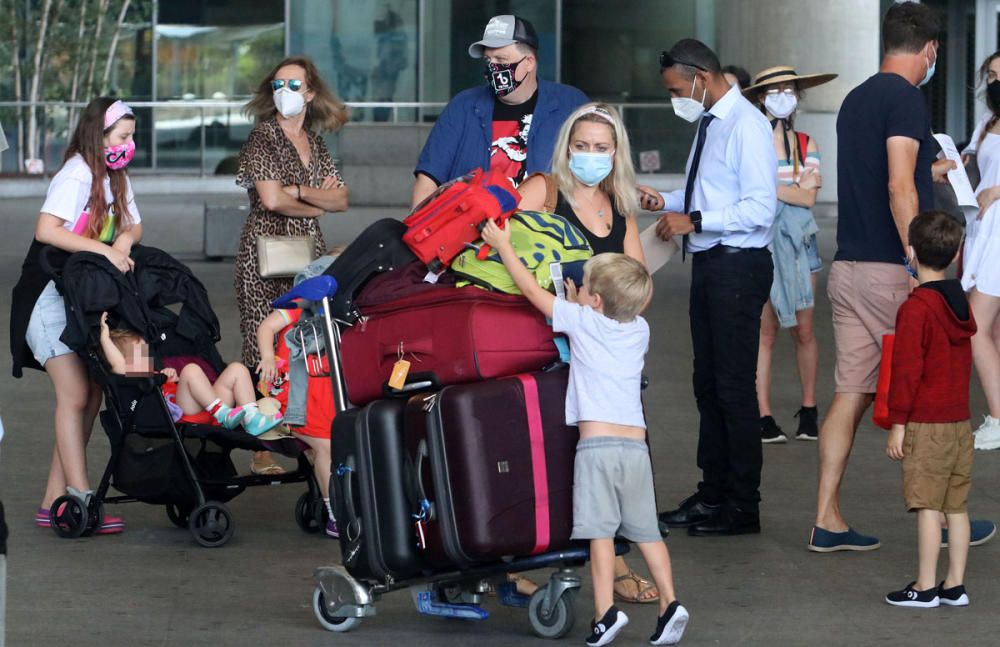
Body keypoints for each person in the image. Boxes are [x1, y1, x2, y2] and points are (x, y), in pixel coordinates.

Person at [481, 221, 688, 647]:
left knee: (600, 535)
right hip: (635, 449)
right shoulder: (639, 331)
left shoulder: (581, 323)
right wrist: (587, 301)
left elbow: (532, 293)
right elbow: (620, 304)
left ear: (593, 299)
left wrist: (503, 245)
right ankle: (670, 603)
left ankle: (604, 614)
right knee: (646, 532)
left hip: (596, 449)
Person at [809, 1, 958, 552]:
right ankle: (941, 522)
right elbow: (900, 186)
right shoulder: (906, 99)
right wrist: (920, 265)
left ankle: (827, 518)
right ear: (929, 50)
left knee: (852, 391)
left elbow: (888, 172)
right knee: (925, 390)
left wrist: (929, 170)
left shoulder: (857, 98)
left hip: (847, 265)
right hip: (887, 271)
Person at [520, 102, 660, 605]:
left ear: (616, 152)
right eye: (582, 146)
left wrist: (596, 308)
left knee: (605, 458)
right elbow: (501, 254)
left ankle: (615, 558)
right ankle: (518, 557)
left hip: (595, 356)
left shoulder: (619, 207)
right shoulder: (543, 190)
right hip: (536, 343)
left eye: (601, 148)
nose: (591, 155)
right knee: (541, 453)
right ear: (567, 148)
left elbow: (640, 289)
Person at [650, 39, 777, 537]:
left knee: (732, 388)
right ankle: (712, 492)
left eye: (677, 89)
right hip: (711, 264)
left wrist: (695, 220)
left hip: (738, 268)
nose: (675, 98)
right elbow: (702, 195)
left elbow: (759, 208)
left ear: (701, 77)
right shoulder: (710, 123)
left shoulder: (746, 125)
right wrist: (662, 200)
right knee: (708, 385)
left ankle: (742, 505)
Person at [10, 97, 142, 535]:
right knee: (74, 396)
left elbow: (134, 224)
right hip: (46, 298)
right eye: (123, 136)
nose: (129, 143)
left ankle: (55, 501)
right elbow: (46, 230)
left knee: (93, 395)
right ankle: (82, 499)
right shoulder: (76, 174)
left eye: (131, 136)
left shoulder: (115, 177)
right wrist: (104, 248)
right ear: (98, 135)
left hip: (77, 298)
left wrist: (122, 243)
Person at [236, 56, 348, 476]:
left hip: (308, 255)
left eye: (295, 84)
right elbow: (270, 200)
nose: (286, 91)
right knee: (260, 342)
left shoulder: (316, 143)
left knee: (303, 339)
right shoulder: (262, 138)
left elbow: (341, 199)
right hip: (263, 256)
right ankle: (261, 442)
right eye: (279, 83)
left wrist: (300, 190)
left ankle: (300, 424)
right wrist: (314, 203)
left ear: (311, 93)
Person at [884, 211, 975, 608]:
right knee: (956, 506)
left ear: (911, 252)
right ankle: (955, 584)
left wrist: (898, 424)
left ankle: (924, 586)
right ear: (957, 254)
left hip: (927, 422)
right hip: (960, 422)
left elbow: (907, 372)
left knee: (927, 506)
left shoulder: (917, 308)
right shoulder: (961, 304)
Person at [741, 66, 837, 443]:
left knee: (804, 329)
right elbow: (795, 192)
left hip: (800, 244)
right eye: (775, 90)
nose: (783, 95)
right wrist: (792, 186)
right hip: (763, 243)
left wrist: (768, 188)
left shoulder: (805, 141)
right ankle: (763, 413)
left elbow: (808, 197)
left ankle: (809, 408)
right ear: (761, 97)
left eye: (789, 89)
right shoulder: (752, 140)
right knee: (766, 331)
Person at [411, 14, 588, 207]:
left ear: (529, 62)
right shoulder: (463, 106)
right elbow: (428, 180)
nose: (493, 68)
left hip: (544, 231)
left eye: (501, 60)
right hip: (471, 231)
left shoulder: (570, 104)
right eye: (488, 60)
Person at [98, 314, 283, 437]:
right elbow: (117, 364)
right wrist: (104, 337)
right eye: (139, 350)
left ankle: (252, 417)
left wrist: (168, 377)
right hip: (187, 413)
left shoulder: (153, 372)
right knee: (191, 370)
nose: (146, 353)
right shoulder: (131, 375)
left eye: (144, 348)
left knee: (237, 369)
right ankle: (222, 413)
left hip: (208, 407)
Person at [257, 303, 338, 538]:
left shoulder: (344, 302)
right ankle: (336, 516)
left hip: (325, 394)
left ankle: (340, 507)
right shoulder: (303, 303)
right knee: (325, 447)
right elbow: (266, 327)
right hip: (296, 397)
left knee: (326, 448)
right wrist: (268, 358)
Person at [960, 50, 1000, 450]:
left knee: (975, 324)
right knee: (993, 329)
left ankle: (999, 417)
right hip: (984, 229)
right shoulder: (987, 124)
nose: (995, 82)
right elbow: (974, 165)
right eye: (991, 75)